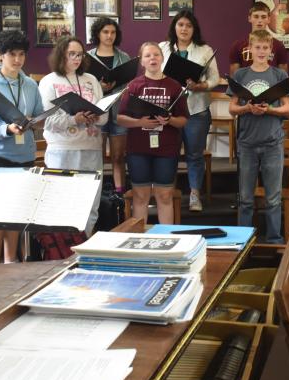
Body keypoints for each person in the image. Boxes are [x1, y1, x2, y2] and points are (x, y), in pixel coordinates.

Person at [0, 29, 44, 263]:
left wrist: (35, 122)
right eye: (12, 54)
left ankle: (10, 260)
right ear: (0, 55)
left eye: (21, 54)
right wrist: (6, 129)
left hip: (24, 155)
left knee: (15, 213)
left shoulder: (31, 86)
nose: (17, 60)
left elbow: (37, 115)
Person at [228, 29, 289, 244]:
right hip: (247, 143)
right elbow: (232, 108)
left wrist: (269, 110)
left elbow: (288, 109)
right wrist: (247, 108)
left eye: (266, 48)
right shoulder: (241, 75)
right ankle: (243, 241)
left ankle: (274, 239)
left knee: (273, 198)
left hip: (273, 143)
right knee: (245, 199)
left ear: (271, 50)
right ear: (250, 49)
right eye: (258, 47)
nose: (262, 51)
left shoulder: (279, 76)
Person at [39, 36, 108, 233]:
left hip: (91, 148)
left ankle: (84, 243)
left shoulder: (91, 80)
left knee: (90, 203)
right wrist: (73, 119)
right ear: (61, 55)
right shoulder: (48, 82)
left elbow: (104, 116)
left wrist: (94, 117)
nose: (77, 59)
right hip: (62, 151)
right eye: (72, 54)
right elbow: (46, 120)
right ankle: (63, 251)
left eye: (80, 54)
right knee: (62, 202)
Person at [117, 42, 188, 225]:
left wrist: (170, 120)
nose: (153, 58)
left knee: (164, 196)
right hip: (138, 149)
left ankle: (168, 240)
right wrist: (139, 122)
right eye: (148, 55)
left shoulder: (174, 86)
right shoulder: (133, 86)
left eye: (156, 54)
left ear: (162, 58)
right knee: (140, 196)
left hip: (166, 149)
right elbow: (120, 118)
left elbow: (183, 119)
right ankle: (139, 240)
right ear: (142, 61)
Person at [159, 10, 219, 212]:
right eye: (180, 24)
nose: (184, 29)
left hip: (196, 110)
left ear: (194, 29)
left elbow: (215, 80)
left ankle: (194, 194)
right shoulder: (162, 48)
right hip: (168, 110)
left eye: (188, 25)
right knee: (169, 153)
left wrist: (200, 86)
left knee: (194, 154)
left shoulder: (204, 50)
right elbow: (152, 73)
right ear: (174, 27)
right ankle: (167, 194)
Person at [87, 17, 129, 199]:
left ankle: (119, 194)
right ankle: (97, 194)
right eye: (105, 32)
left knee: (118, 156)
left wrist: (117, 84)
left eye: (113, 32)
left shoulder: (124, 57)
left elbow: (129, 84)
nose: (109, 36)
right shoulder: (87, 57)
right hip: (96, 112)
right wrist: (99, 86)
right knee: (97, 155)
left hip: (119, 111)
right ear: (98, 33)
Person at [229, 1, 289, 76]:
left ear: (269, 19)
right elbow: (234, 78)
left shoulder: (278, 46)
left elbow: (283, 78)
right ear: (249, 18)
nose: (259, 20)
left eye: (263, 17)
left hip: (271, 86)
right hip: (246, 86)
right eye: (256, 16)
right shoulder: (238, 45)